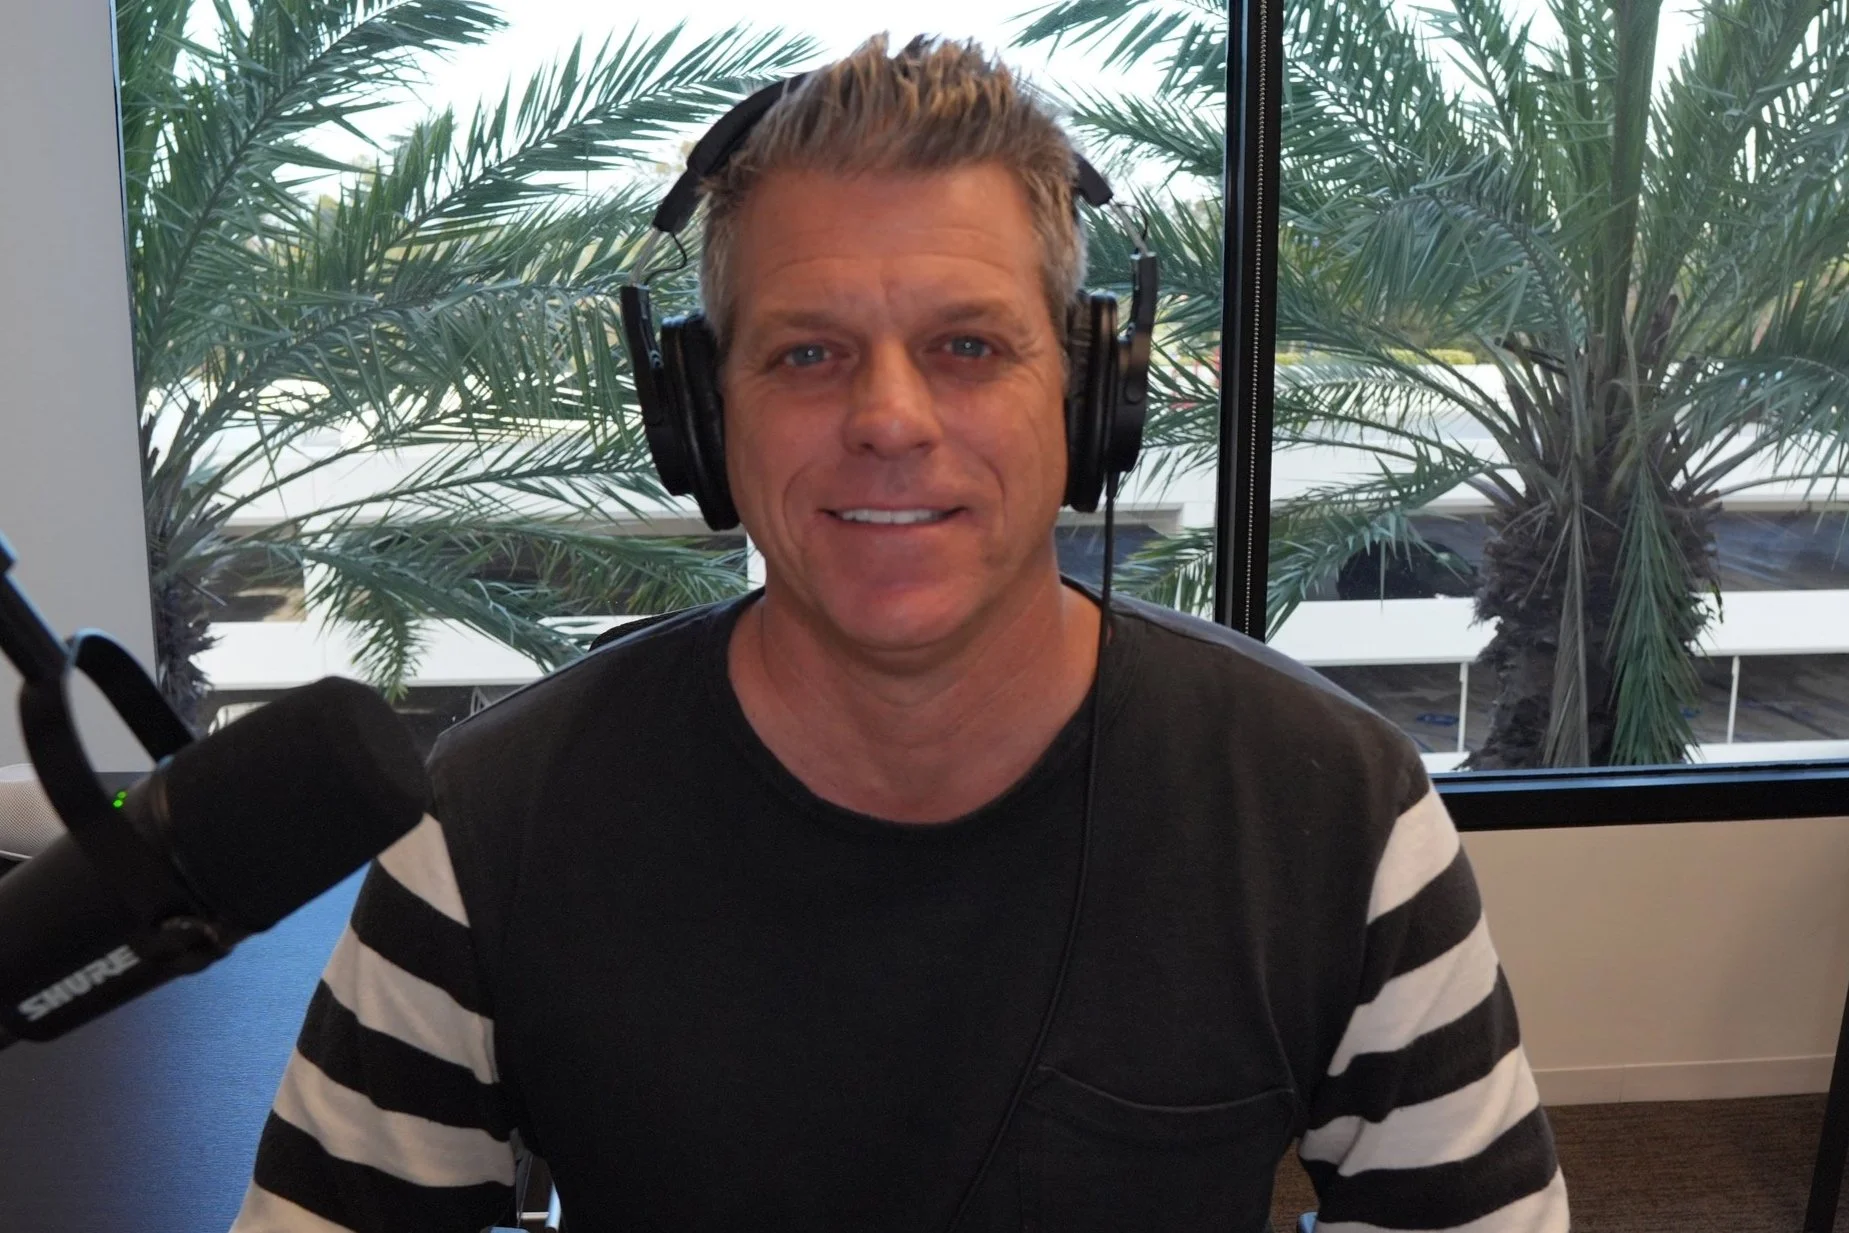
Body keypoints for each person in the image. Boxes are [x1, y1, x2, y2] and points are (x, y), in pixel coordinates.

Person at [231, 34, 1569, 1233]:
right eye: (808, 354)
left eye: (969, 348)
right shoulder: (488, 825)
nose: (890, 420)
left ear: (1093, 399)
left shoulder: (1331, 807)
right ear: (700, 420)